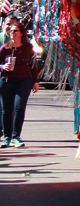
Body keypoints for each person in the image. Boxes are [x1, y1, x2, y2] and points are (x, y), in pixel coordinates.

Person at [0, 18, 40, 148]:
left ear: (21, 33)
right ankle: (7, 137)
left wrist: (35, 81)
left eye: (15, 31)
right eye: (10, 31)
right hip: (6, 81)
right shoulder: (4, 49)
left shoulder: (28, 48)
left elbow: (33, 66)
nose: (13, 33)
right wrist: (2, 67)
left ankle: (16, 137)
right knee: (7, 109)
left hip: (24, 81)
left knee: (19, 107)